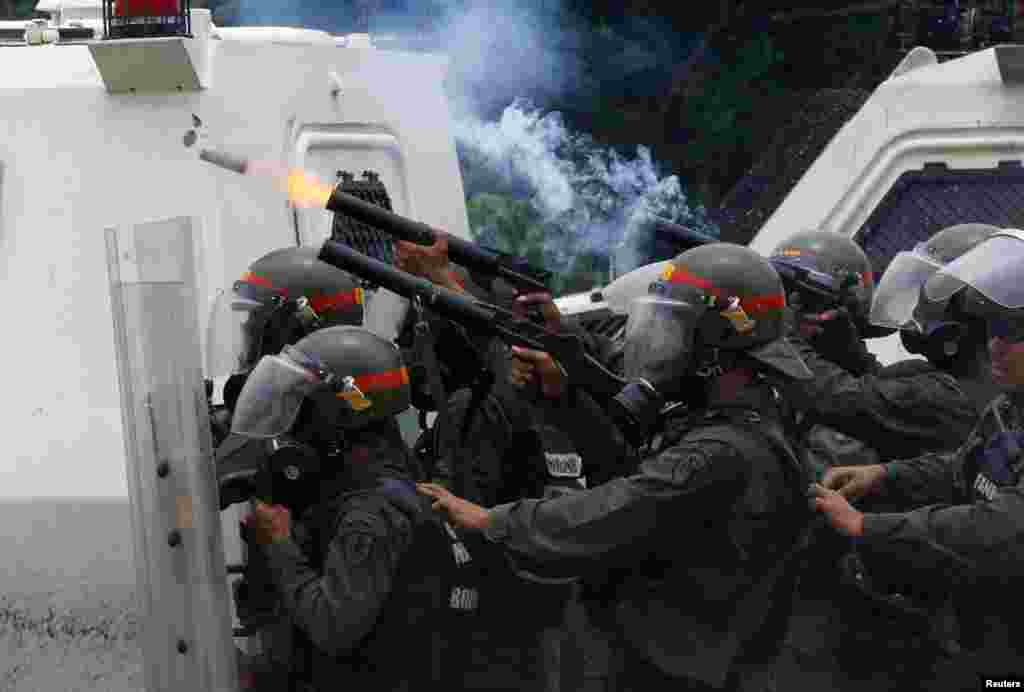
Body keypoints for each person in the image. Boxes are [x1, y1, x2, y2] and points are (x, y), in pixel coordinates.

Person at [420, 243, 818, 692]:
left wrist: (491, 520)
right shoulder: (743, 416)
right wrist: (564, 402)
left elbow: (618, 507)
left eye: (674, 330)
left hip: (673, 670)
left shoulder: (721, 449)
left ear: (712, 352)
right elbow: (635, 469)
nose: (660, 346)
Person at [814, 227, 1024, 686]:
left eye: (1012, 335)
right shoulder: (1010, 406)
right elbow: (966, 466)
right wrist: (883, 476)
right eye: (993, 332)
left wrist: (867, 528)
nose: (995, 346)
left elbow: (1003, 527)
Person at [220, 325, 478, 691]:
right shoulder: (399, 481)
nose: (293, 426)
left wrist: (279, 545)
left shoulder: (369, 516)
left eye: (302, 411)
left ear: (333, 417)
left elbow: (333, 627)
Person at [769, 229, 977, 474]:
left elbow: (840, 400)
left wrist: (782, 337)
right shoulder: (923, 374)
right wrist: (848, 354)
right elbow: (875, 390)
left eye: (931, 300)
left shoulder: (956, 398)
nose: (918, 310)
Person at [206, 246, 365, 445]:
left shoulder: (341, 415)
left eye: (257, 320)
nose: (247, 328)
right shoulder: (291, 409)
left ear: (301, 326)